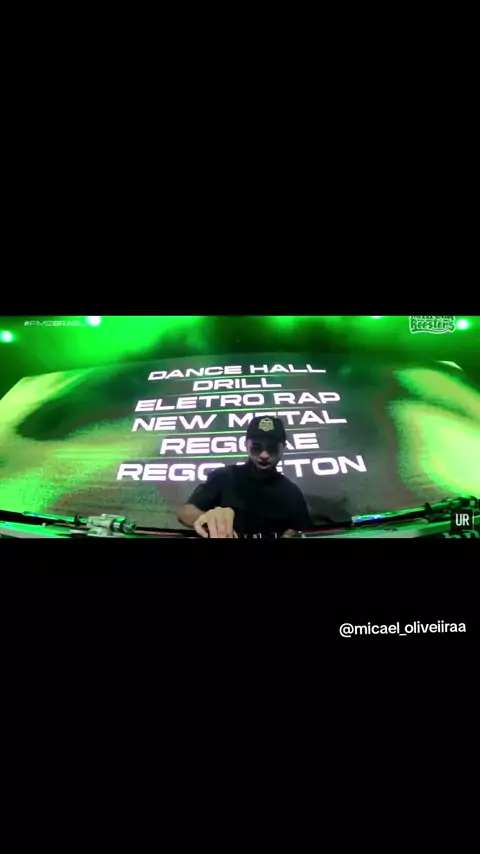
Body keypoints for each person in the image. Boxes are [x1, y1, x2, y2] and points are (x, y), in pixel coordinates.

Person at [177, 416, 312, 538]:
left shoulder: (292, 492)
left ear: (283, 448)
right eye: (256, 447)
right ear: (246, 444)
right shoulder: (223, 477)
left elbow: (302, 529)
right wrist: (207, 519)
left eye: (272, 448)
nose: (264, 455)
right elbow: (185, 512)